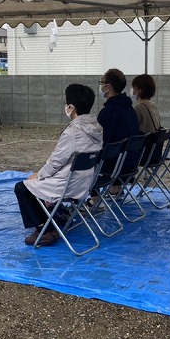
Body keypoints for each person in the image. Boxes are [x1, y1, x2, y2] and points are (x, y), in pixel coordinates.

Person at [14, 84, 103, 247]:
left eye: (66, 103)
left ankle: (44, 230)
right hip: (86, 182)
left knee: (22, 187)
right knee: (40, 182)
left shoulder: (73, 132)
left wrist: (39, 175)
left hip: (69, 184)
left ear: (71, 107)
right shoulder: (97, 127)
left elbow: (56, 162)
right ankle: (56, 217)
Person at [97, 69, 140, 183]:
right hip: (131, 162)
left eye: (102, 83)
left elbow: (101, 141)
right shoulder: (130, 109)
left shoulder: (108, 112)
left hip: (114, 165)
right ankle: (115, 188)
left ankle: (95, 193)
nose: (100, 86)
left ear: (108, 87)